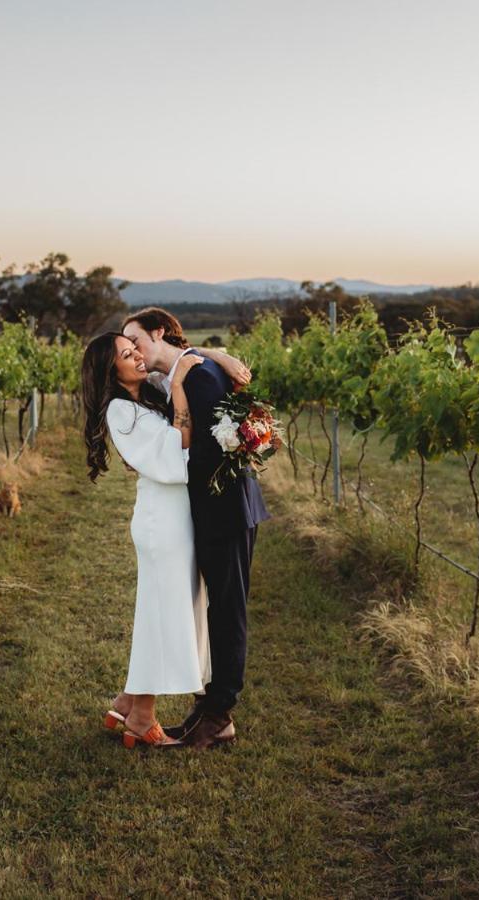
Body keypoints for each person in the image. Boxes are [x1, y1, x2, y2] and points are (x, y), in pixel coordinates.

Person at [121, 307, 270, 749]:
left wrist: (207, 359)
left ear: (159, 331)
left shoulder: (200, 377)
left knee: (226, 611)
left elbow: (199, 453)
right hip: (207, 512)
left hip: (227, 511)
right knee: (212, 610)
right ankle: (206, 705)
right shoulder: (169, 379)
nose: (136, 353)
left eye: (137, 342)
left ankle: (220, 714)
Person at [81, 331, 208, 747]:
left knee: (164, 611)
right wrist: (176, 385)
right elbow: (178, 447)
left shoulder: (142, 397)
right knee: (160, 616)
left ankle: (128, 702)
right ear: (109, 369)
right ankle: (142, 718)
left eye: (134, 347)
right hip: (162, 523)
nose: (136, 354)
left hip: (175, 517)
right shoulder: (120, 410)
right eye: (125, 353)